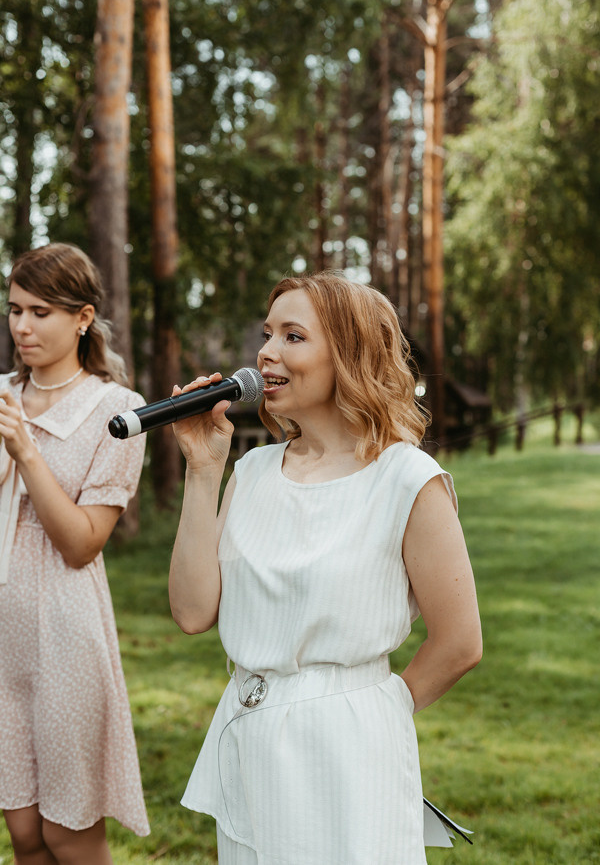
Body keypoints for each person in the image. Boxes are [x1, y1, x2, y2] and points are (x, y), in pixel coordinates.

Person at [168, 270, 483, 864]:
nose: (266, 351)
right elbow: (191, 612)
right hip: (247, 732)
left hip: (347, 752)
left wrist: (367, 712)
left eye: (293, 336)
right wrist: (202, 469)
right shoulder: (253, 472)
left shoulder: (406, 479)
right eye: (267, 334)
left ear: (349, 355)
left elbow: (461, 641)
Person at [0, 243, 150, 864]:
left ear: (83, 317)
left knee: (68, 832)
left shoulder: (117, 411)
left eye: (41, 312)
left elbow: (83, 543)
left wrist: (26, 451)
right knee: (26, 835)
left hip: (64, 631)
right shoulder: (3, 392)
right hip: (2, 637)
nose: (22, 327)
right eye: (14, 310)